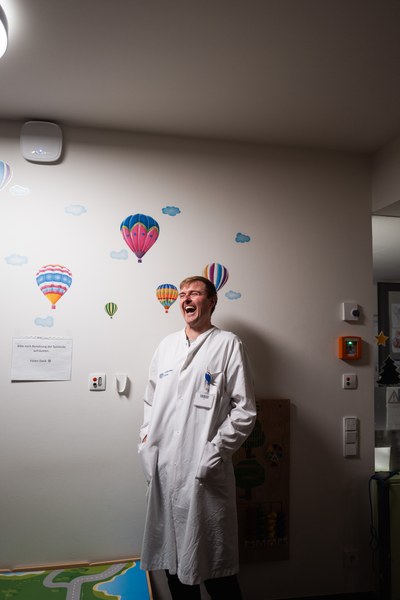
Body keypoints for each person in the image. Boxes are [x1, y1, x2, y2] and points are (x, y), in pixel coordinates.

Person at [138, 275, 256, 599]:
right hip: (164, 468)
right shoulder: (166, 347)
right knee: (174, 567)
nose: (186, 299)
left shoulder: (228, 344)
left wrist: (213, 452)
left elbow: (245, 410)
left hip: (203, 470)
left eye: (195, 293)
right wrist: (146, 440)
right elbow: (150, 400)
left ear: (211, 301)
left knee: (216, 569)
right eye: (182, 294)